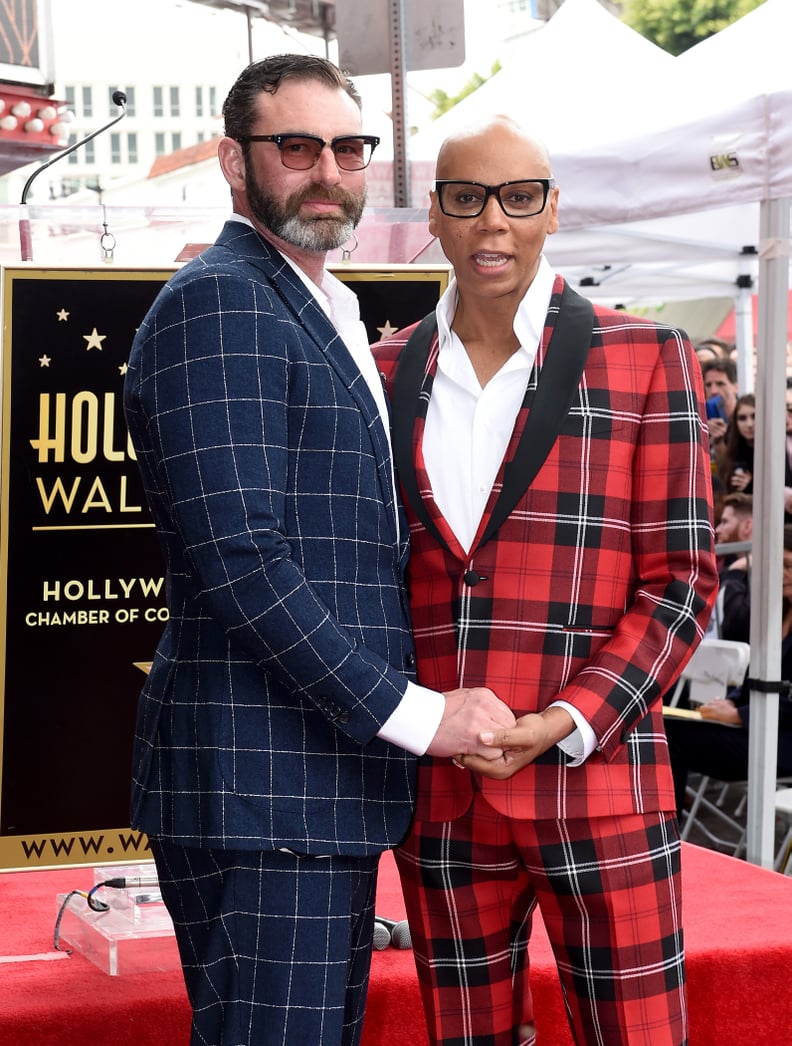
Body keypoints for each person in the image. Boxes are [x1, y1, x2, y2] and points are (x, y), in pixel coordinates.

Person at [123, 55, 514, 1046]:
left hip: (309, 786)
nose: (328, 172)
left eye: (348, 148)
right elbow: (243, 560)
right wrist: (422, 716)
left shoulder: (317, 303)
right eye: (296, 148)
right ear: (234, 160)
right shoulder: (227, 300)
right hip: (264, 790)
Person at [373, 115, 718, 1046]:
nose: (494, 223)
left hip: (599, 782)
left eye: (519, 198)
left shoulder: (646, 356)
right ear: (433, 219)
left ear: (553, 209)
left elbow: (683, 581)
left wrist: (564, 723)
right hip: (442, 795)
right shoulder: (383, 369)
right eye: (466, 199)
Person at [665, 525, 792, 819]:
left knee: (672, 739)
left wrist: (740, 714)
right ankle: (669, 831)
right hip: (756, 728)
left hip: (782, 742)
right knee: (666, 729)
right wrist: (733, 702)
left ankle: (669, 833)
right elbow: (754, 680)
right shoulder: (773, 616)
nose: (780, 574)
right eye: (777, 566)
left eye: (787, 566)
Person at [701, 356, 739, 467]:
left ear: (735, 387)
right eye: (708, 385)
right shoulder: (699, 421)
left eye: (720, 384)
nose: (713, 391)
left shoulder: (747, 418)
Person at [717, 392, 755, 494]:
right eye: (742, 418)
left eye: (754, 416)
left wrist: (752, 484)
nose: (749, 424)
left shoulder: (777, 449)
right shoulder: (733, 451)